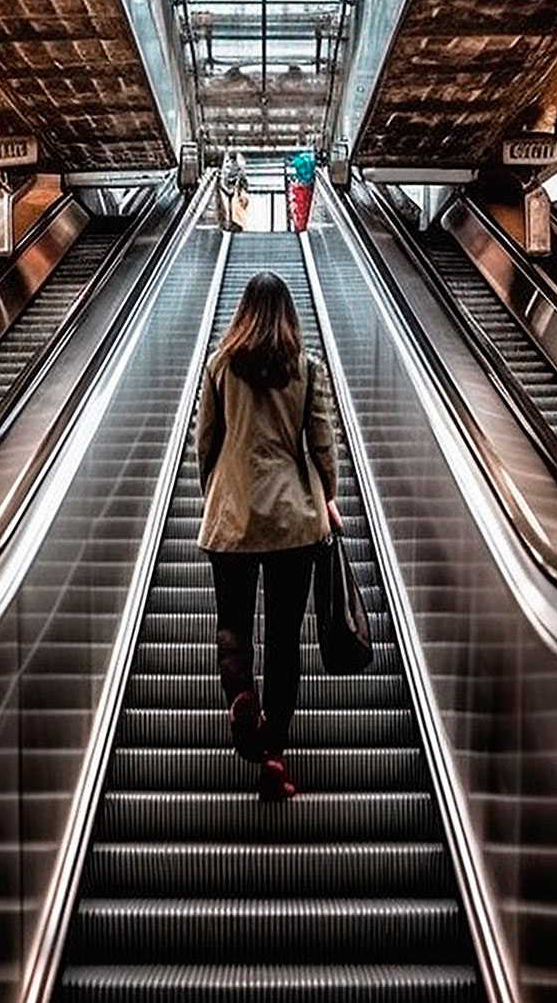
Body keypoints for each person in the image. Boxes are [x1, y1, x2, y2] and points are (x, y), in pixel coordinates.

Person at [196, 272, 341, 801]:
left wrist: (214, 492)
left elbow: (205, 442)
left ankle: (240, 699)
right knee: (284, 639)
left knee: (233, 626)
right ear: (288, 315)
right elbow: (322, 444)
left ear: (242, 312)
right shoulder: (305, 369)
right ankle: (275, 753)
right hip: (293, 523)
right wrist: (328, 496)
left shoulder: (218, 366)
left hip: (232, 517)